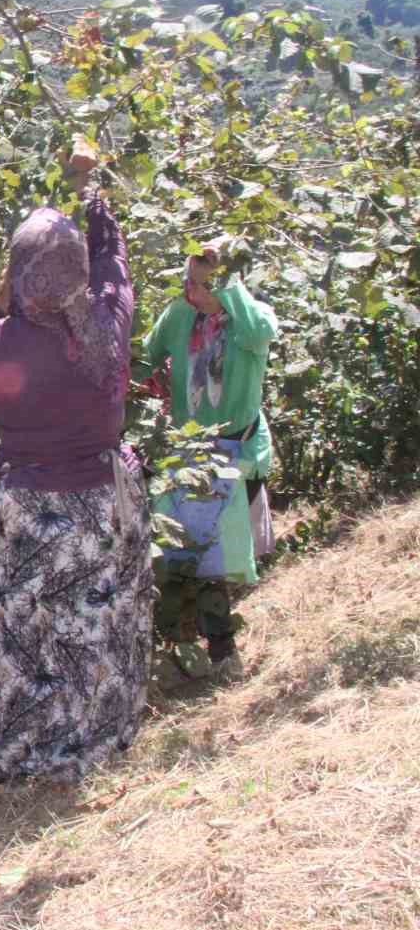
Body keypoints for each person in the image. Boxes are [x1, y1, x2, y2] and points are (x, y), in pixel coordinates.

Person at [0, 138, 155, 784]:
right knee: (96, 627)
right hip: (101, 502)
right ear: (76, 269)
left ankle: (19, 751)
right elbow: (114, 258)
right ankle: (96, 738)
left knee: (23, 636)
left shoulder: (1, 340)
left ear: (19, 269)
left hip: (28, 510)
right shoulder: (107, 323)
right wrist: (91, 189)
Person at [143, 245, 279, 667]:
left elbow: (259, 335)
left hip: (238, 449)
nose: (189, 289)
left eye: (199, 281)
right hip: (191, 452)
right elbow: (144, 355)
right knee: (184, 549)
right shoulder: (180, 315)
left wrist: (225, 288)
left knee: (212, 554)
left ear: (224, 282)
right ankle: (194, 646)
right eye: (187, 279)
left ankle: (221, 649)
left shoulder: (249, 315)